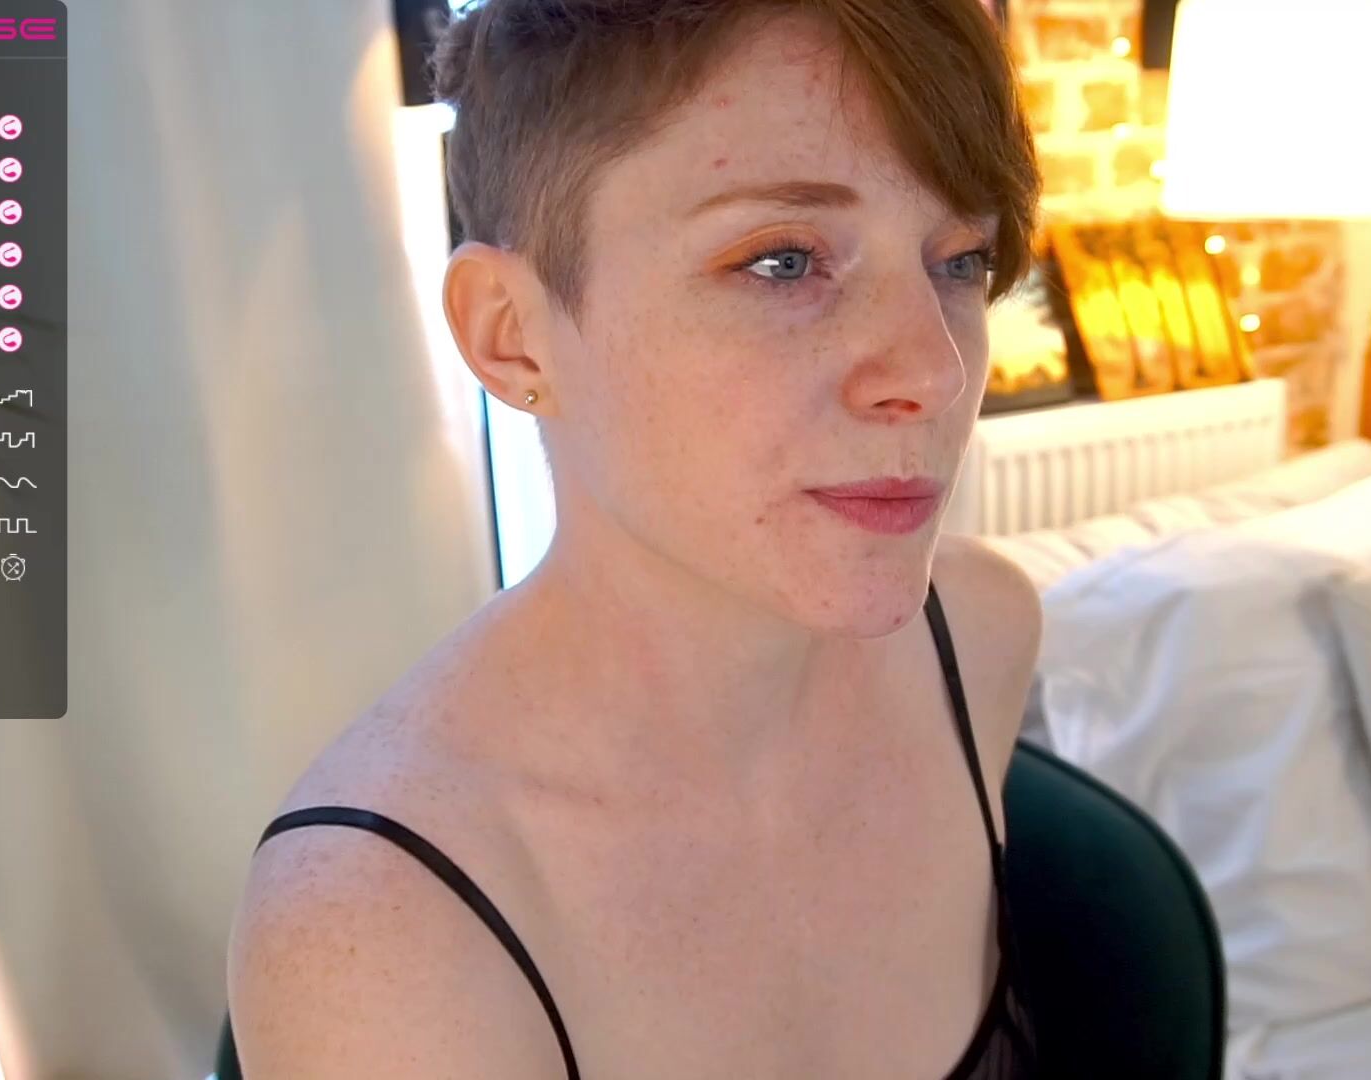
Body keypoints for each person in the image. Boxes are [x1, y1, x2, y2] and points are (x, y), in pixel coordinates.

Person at [227, 0, 1046, 1075]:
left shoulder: (979, 636)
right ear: (512, 336)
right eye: (782, 261)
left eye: (961, 261)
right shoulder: (379, 928)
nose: (934, 371)